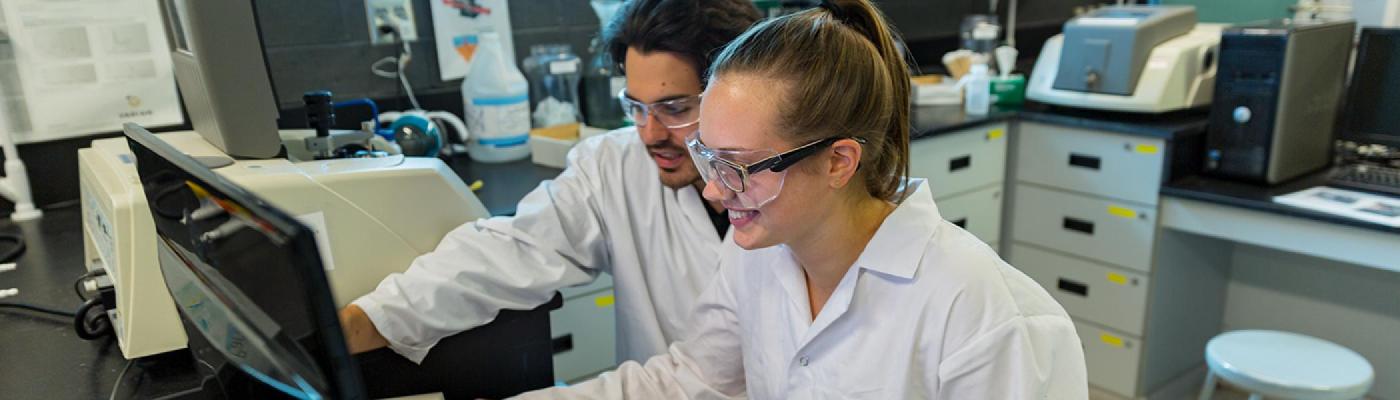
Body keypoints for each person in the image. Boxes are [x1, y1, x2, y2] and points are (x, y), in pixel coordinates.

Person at [511, 0, 1089, 398]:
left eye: (738, 167)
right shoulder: (758, 253)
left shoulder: (991, 319)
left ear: (839, 161)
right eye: (708, 157)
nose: (713, 189)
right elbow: (692, 380)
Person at [338, 0, 763, 365]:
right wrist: (365, 321)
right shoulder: (615, 166)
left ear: (736, 93)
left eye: (674, 107)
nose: (650, 133)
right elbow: (507, 252)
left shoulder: (799, 190)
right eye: (635, 106)